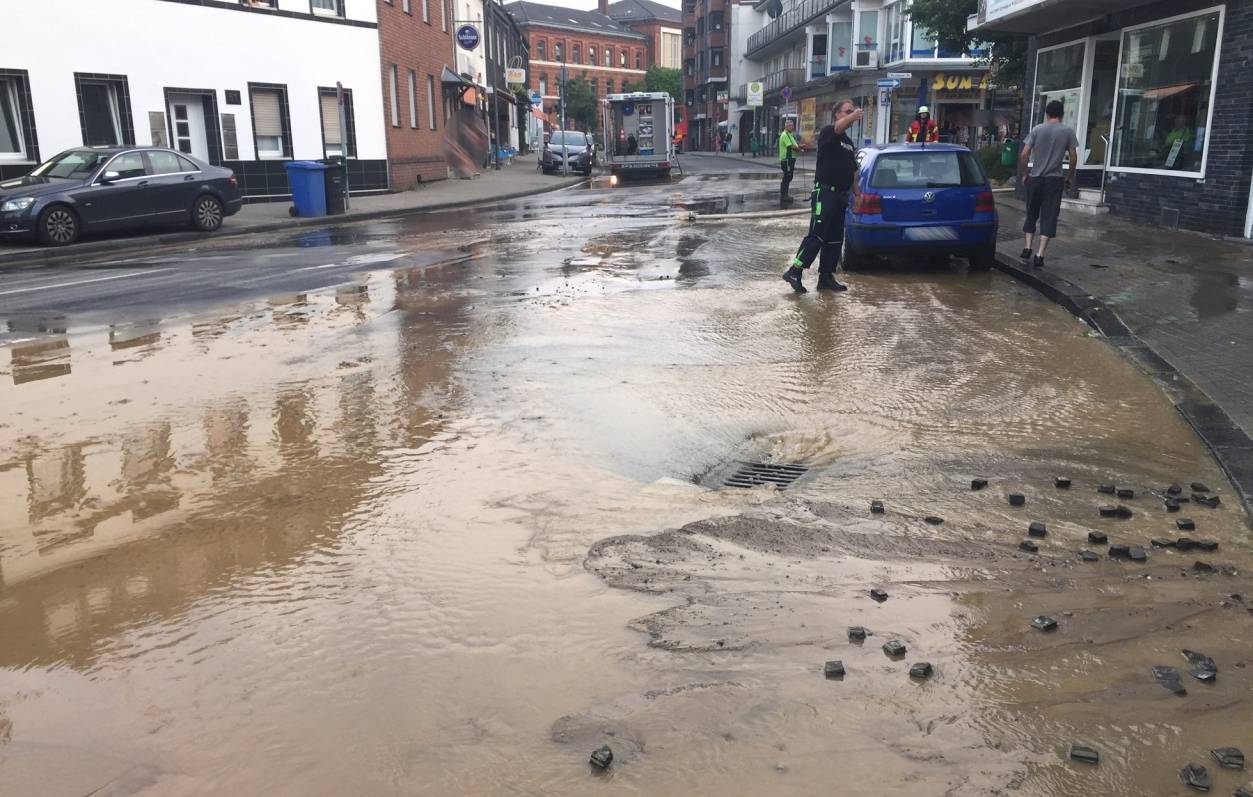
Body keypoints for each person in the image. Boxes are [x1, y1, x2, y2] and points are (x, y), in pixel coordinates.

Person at [782, 99, 863, 293]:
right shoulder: (829, 132)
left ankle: (825, 277)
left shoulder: (849, 143)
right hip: (825, 192)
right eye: (847, 111)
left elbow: (853, 172)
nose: (851, 114)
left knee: (835, 239)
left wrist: (857, 195)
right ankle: (795, 270)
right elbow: (838, 128)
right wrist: (854, 115)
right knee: (817, 234)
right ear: (837, 114)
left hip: (841, 196)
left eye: (852, 111)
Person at [1018, 99, 1078, 269]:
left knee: (1031, 212)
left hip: (1035, 179)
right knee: (1049, 215)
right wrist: (1069, 176)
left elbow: (1024, 154)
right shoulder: (1067, 131)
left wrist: (1025, 173)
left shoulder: (1037, 129)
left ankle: (1027, 247)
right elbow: (1073, 157)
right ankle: (1040, 254)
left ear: (1047, 113)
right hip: (1054, 180)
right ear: (1062, 114)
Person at [778, 119, 801, 205]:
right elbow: (790, 146)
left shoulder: (789, 134)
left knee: (789, 176)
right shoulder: (785, 135)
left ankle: (785, 195)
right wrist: (799, 149)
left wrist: (799, 146)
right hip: (787, 159)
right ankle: (784, 196)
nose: (792, 127)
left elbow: (794, 144)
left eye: (792, 125)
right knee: (787, 176)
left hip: (791, 159)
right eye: (790, 125)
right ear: (786, 126)